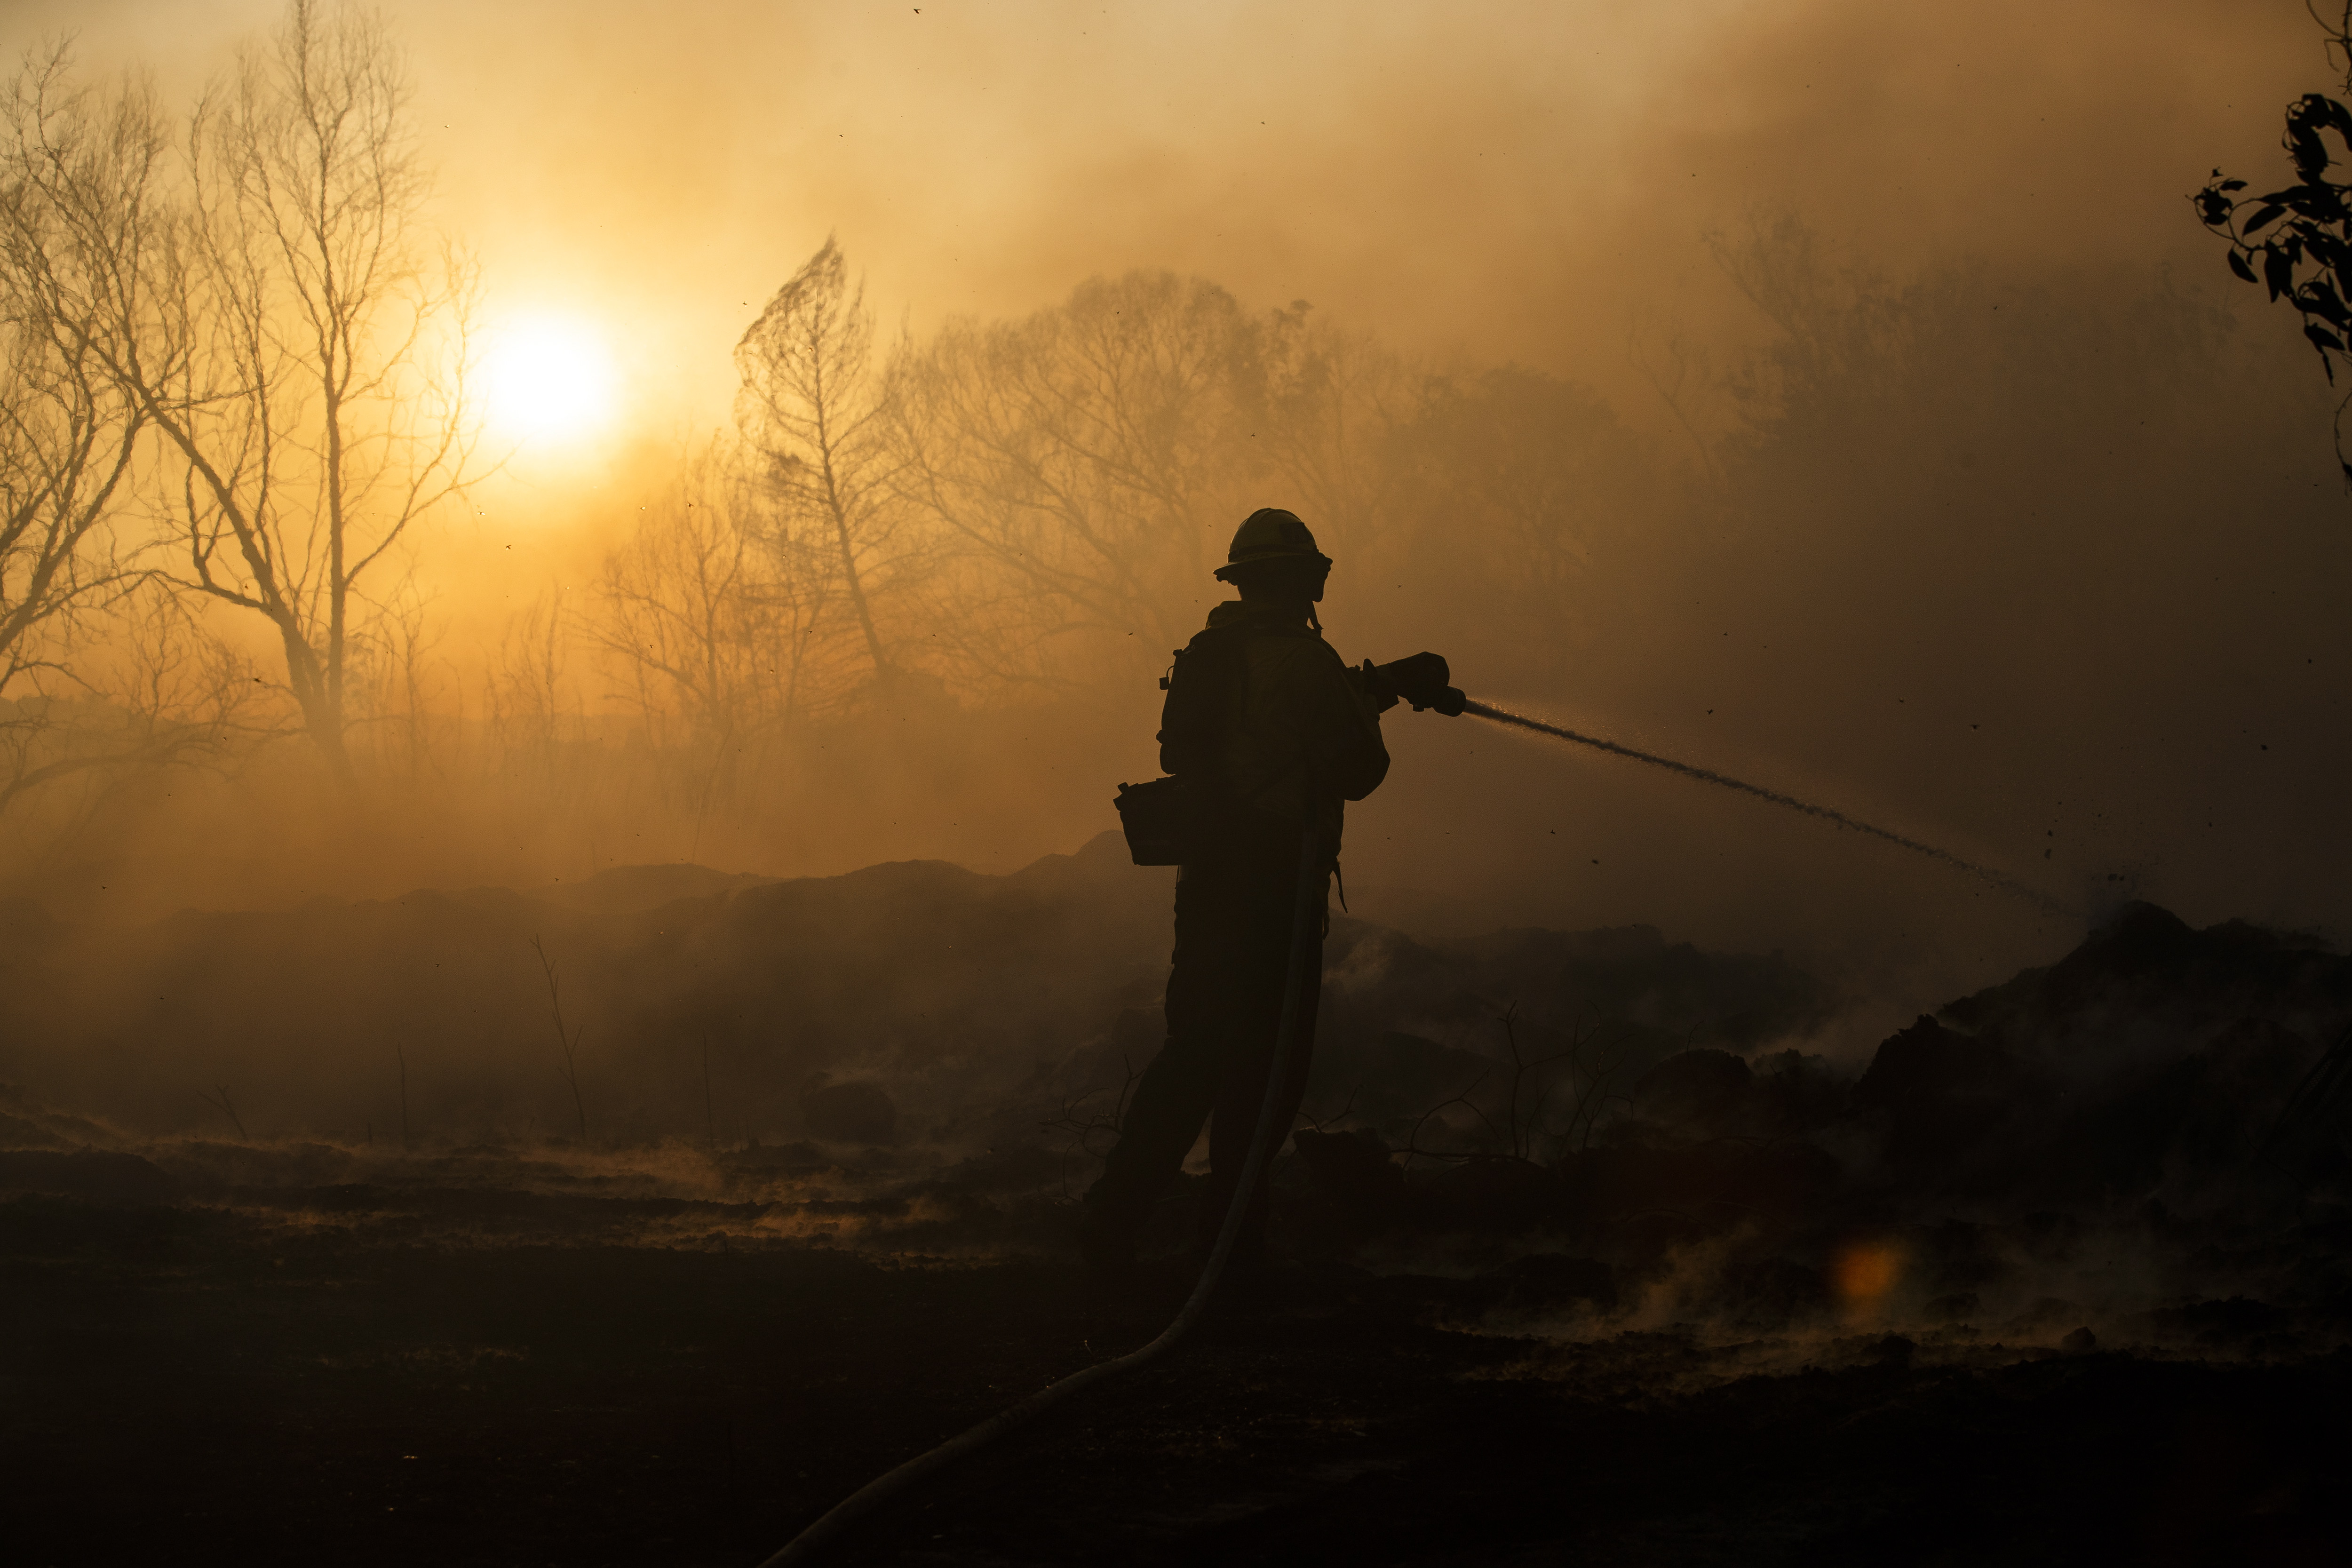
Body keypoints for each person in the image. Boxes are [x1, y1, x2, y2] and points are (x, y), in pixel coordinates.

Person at [1081, 507, 1414, 1279]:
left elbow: (1238, 736)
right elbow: (1361, 770)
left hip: (1207, 886)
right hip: (1277, 886)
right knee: (1264, 1076)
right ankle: (1232, 1251)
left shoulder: (1207, 654)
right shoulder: (1307, 661)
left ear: (1239, 581)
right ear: (1303, 581)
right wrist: (1373, 698)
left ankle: (1111, 1222)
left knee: (1192, 1056)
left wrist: (1379, 684)